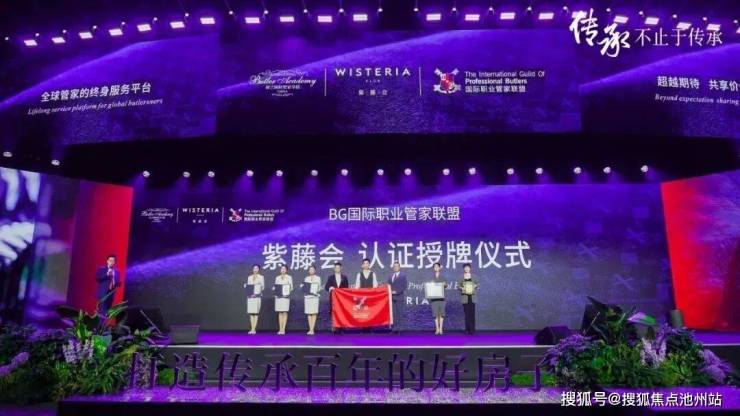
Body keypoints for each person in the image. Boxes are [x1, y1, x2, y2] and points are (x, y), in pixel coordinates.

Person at [325, 262, 349, 334]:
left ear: (341, 268)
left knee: (342, 312)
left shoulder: (344, 277)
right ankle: (334, 328)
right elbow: (326, 287)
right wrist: (331, 288)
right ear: (334, 268)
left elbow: (347, 288)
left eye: (339, 268)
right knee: (333, 312)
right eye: (336, 268)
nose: (337, 269)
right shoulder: (330, 277)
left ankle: (341, 328)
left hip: (341, 299)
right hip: (333, 298)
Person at [243, 264, 264, 334]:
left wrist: (256, 292)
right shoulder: (249, 277)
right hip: (250, 297)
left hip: (257, 297)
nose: (255, 269)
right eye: (254, 268)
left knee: (256, 313)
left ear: (259, 269)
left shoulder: (261, 277)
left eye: (257, 268)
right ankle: (251, 328)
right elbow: (249, 287)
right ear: (252, 269)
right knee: (251, 314)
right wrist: (246, 286)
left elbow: (262, 287)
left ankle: (254, 329)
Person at [387, 261, 407, 334]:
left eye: (397, 266)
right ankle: (394, 329)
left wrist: (397, 292)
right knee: (393, 314)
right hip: (392, 298)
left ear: (399, 267)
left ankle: (399, 329)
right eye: (394, 266)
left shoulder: (403, 276)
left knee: (399, 314)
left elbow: (405, 286)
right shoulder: (391, 276)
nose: (395, 267)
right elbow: (388, 285)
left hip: (399, 297)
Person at [428, 262, 447, 335]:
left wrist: (444, 284)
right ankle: (437, 328)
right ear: (433, 268)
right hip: (434, 298)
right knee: (435, 314)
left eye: (437, 267)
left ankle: (441, 328)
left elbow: (446, 285)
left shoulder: (443, 277)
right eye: (434, 267)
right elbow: (428, 287)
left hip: (442, 298)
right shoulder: (431, 278)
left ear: (439, 268)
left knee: (441, 314)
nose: (436, 268)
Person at [459, 263, 479, 335]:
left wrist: (475, 286)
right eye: (465, 267)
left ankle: (472, 330)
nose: (466, 269)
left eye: (468, 267)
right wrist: (462, 288)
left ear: (470, 268)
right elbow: (458, 286)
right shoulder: (461, 277)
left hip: (472, 297)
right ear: (463, 269)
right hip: (465, 298)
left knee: (472, 314)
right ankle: (467, 329)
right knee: (466, 314)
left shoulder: (474, 276)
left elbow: (478, 285)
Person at [273, 264, 293, 335]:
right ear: (280, 270)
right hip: (279, 297)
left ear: (286, 270)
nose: (283, 270)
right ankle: (280, 329)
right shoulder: (277, 278)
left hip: (285, 297)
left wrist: (286, 292)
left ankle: (283, 329)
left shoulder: (289, 277)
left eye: (284, 269)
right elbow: (275, 287)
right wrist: (274, 289)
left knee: (284, 312)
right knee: (280, 313)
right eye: (282, 269)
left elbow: (291, 287)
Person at [302, 265, 321, 335]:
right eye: (310, 270)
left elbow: (319, 288)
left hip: (315, 297)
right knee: (309, 313)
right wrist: (303, 287)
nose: (311, 271)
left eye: (312, 269)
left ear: (315, 271)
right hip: (308, 297)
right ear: (308, 271)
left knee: (314, 313)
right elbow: (305, 288)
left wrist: (315, 290)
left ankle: (312, 329)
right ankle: (310, 329)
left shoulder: (318, 278)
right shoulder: (306, 278)